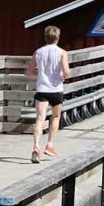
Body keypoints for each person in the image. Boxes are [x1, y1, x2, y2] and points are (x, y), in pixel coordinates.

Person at [28, 25, 71, 164]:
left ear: (45, 38)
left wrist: (39, 73)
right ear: (58, 38)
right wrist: (63, 76)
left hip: (42, 89)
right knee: (55, 116)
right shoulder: (62, 53)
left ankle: (36, 146)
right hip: (56, 89)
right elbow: (67, 72)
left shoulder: (38, 52)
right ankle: (50, 145)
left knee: (40, 119)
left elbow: (29, 71)